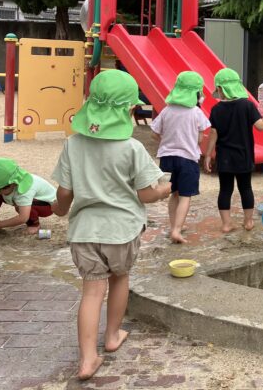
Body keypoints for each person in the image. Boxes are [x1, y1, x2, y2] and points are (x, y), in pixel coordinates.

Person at [52, 69, 171, 381]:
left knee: (91, 292)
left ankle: (87, 358)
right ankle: (113, 335)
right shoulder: (131, 148)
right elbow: (146, 193)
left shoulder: (73, 144)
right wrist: (163, 190)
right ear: (129, 110)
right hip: (121, 231)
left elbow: (64, 193)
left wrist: (59, 210)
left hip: (84, 232)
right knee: (120, 278)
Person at [205, 67, 263, 233]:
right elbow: (261, 127)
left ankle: (226, 224)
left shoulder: (216, 109)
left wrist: (208, 155)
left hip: (224, 158)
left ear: (221, 89)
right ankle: (248, 221)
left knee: (225, 190)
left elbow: (213, 133)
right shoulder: (247, 105)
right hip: (243, 156)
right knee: (246, 188)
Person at [151, 71, 211, 244]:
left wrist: (167, 140)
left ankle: (173, 226)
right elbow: (200, 138)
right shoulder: (196, 113)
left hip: (167, 158)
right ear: (196, 94)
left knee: (173, 194)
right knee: (185, 195)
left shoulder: (166, 111)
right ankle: (177, 230)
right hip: (188, 159)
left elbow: (154, 134)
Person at [0, 158, 57, 242]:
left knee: (20, 208)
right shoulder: (5, 187)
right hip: (29, 200)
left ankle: (34, 225)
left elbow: (23, 217)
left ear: (13, 184)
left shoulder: (25, 190)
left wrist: (0, 224)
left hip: (49, 205)